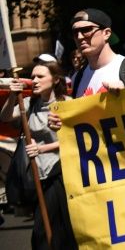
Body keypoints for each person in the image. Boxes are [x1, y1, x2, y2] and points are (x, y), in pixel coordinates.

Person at [1, 59, 76, 248]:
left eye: (40, 76)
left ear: (56, 80)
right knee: (50, 231)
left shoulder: (68, 104)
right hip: (37, 177)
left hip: (60, 176)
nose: (34, 80)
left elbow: (76, 140)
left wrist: (42, 149)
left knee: (46, 233)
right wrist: (12, 95)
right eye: (32, 76)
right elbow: (5, 117)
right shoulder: (28, 104)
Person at [68, 8, 125, 97]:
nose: (79, 37)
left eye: (86, 30)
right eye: (75, 32)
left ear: (106, 33)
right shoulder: (77, 79)